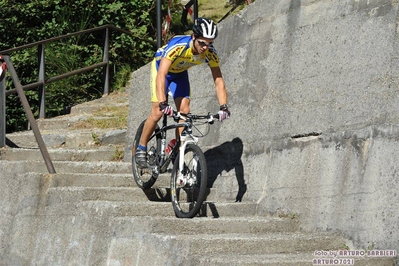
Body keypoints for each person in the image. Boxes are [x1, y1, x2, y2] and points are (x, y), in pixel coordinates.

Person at [135, 17, 230, 167]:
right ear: (194, 37)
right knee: (157, 112)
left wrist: (223, 106)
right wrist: (162, 102)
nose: (205, 47)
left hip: (179, 74)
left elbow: (218, 80)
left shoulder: (210, 53)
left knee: (184, 111)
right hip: (162, 70)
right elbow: (161, 75)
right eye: (202, 43)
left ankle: (178, 150)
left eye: (209, 43)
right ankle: (141, 147)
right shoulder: (178, 46)